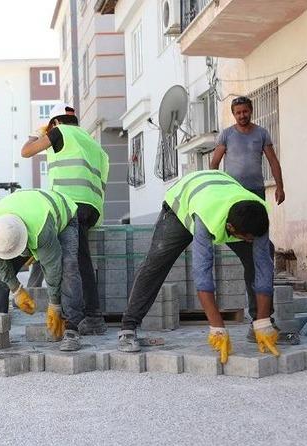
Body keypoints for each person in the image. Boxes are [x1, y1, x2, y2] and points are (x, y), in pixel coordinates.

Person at [117, 170, 280, 363]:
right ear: (231, 229)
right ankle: (128, 327)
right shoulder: (206, 217)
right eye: (246, 238)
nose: (250, 241)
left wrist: (263, 323)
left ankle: (257, 326)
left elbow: (263, 268)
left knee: (262, 253)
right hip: (182, 205)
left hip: (220, 194)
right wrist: (217, 327)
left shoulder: (258, 213)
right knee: (156, 263)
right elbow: (202, 272)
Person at [210, 96, 296, 344]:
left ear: (251, 111)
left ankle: (261, 320)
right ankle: (260, 320)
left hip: (256, 197)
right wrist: (215, 191)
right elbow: (214, 163)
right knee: (255, 258)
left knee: (261, 253)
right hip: (233, 199)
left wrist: (279, 186)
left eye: (245, 111)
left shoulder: (261, 133)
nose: (242, 115)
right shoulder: (226, 135)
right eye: (238, 112)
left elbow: (273, 161)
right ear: (233, 114)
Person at [20, 103, 109, 336]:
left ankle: (83, 318)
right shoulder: (90, 141)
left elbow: (26, 151)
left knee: (72, 264)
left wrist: (38, 133)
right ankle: (91, 316)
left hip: (70, 205)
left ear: (55, 123)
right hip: (91, 208)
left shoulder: (59, 132)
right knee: (81, 261)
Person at [0, 189, 85, 351]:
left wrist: (54, 304)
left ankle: (72, 328)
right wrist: (16, 290)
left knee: (67, 265)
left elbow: (52, 267)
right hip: (21, 217)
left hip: (63, 214)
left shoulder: (40, 230)